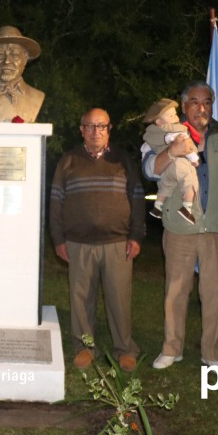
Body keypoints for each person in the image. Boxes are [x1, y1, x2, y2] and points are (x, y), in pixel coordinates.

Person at [141, 82, 218, 371]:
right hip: (179, 227)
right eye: (194, 101)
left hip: (217, 228)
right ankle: (172, 349)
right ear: (183, 105)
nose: (201, 107)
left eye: (207, 102)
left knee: (215, 293)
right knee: (175, 291)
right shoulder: (167, 132)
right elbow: (149, 168)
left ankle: (212, 353)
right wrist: (174, 150)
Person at [49, 108, 145, 372]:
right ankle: (84, 347)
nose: (95, 132)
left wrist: (136, 235)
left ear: (109, 129)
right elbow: (56, 201)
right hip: (78, 243)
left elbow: (137, 198)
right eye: (89, 126)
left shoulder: (123, 159)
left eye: (101, 126)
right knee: (81, 299)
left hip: (117, 242)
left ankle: (125, 349)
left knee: (119, 299)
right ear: (81, 130)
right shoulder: (68, 160)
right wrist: (58, 239)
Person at [142, 97, 200, 224]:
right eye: (171, 115)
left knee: (166, 186)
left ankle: (157, 206)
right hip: (179, 164)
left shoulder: (151, 134)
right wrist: (194, 158)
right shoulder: (179, 130)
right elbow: (187, 147)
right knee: (190, 181)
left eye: (175, 114)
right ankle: (187, 207)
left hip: (168, 171)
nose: (175, 118)